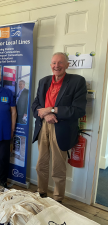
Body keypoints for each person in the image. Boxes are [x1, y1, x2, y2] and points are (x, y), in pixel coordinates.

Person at [31, 52, 87, 203]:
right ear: (50, 65)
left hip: (61, 128)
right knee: (40, 164)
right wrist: (46, 114)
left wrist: (51, 110)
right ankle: (41, 193)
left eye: (60, 63)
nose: (57, 66)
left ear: (67, 65)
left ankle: (58, 199)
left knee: (58, 166)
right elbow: (35, 105)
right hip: (43, 125)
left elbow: (79, 110)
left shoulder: (77, 81)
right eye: (54, 63)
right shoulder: (43, 81)